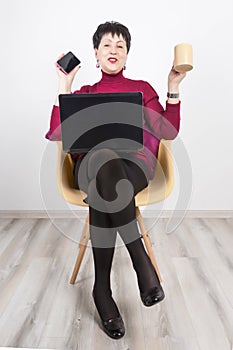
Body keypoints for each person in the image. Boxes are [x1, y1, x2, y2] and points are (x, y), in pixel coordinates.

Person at [45, 21, 186, 340]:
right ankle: (141, 262)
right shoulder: (85, 94)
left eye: (120, 45)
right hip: (90, 168)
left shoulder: (143, 90)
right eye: (106, 45)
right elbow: (57, 134)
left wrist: (172, 86)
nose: (113, 50)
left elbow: (168, 132)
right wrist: (63, 85)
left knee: (105, 177)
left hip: (134, 167)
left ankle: (102, 290)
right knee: (101, 161)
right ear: (95, 54)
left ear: (127, 55)